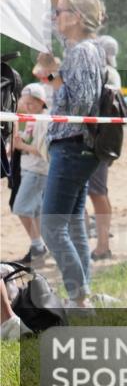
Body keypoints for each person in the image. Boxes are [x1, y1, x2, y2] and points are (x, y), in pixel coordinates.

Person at [42, 0, 105, 307]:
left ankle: (79, 299)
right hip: (81, 147)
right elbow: (74, 91)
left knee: (52, 227)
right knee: (74, 224)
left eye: (62, 12)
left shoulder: (80, 52)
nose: (56, 16)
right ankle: (84, 296)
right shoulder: (84, 48)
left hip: (71, 145)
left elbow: (79, 103)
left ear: (77, 18)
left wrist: (52, 77)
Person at [88, 34, 121, 261]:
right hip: (102, 139)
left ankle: (103, 246)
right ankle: (102, 243)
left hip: (100, 139)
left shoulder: (107, 74)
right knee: (97, 192)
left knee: (97, 192)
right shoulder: (108, 73)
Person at [11, 84, 49, 263]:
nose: (28, 107)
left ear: (42, 103)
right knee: (34, 211)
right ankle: (40, 245)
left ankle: (37, 244)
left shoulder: (43, 120)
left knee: (20, 208)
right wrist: (21, 139)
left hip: (36, 170)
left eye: (32, 103)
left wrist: (21, 146)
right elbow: (30, 140)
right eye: (25, 103)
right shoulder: (33, 119)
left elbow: (42, 150)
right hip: (29, 169)